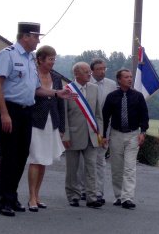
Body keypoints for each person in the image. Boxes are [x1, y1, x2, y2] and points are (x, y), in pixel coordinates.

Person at [0, 22, 75, 217]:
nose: (38, 41)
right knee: (9, 156)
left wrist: (56, 93)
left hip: (27, 111)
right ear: (26, 36)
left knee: (21, 157)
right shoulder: (8, 54)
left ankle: (13, 197)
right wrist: (4, 113)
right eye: (36, 37)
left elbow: (36, 89)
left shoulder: (29, 58)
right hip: (10, 109)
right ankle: (5, 201)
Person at [102, 69, 149, 209]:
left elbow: (144, 115)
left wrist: (143, 131)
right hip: (116, 134)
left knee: (129, 167)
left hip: (133, 135)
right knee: (117, 168)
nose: (129, 79)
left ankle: (127, 197)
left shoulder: (138, 96)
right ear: (119, 80)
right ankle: (119, 196)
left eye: (131, 77)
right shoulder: (112, 97)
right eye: (126, 77)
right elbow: (105, 117)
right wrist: (104, 135)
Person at [27, 45, 65, 212]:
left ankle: (37, 194)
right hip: (35, 122)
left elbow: (60, 103)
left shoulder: (56, 78)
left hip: (52, 122)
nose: (52, 62)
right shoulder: (31, 74)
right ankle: (31, 198)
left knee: (44, 161)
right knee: (36, 158)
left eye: (54, 59)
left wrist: (62, 126)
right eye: (50, 59)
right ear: (40, 60)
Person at [63, 62, 103, 208]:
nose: (89, 74)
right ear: (77, 74)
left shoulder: (94, 88)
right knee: (72, 169)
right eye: (86, 72)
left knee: (91, 167)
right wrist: (65, 135)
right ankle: (73, 196)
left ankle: (92, 197)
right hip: (73, 135)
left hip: (92, 135)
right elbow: (64, 116)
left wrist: (100, 134)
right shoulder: (67, 90)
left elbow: (98, 115)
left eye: (89, 72)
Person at [77, 58, 116, 203]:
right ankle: (83, 190)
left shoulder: (111, 85)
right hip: (85, 127)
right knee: (83, 160)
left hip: (103, 129)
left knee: (100, 160)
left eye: (104, 68)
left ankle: (98, 191)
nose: (102, 71)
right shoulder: (85, 83)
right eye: (99, 69)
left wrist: (106, 132)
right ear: (92, 71)